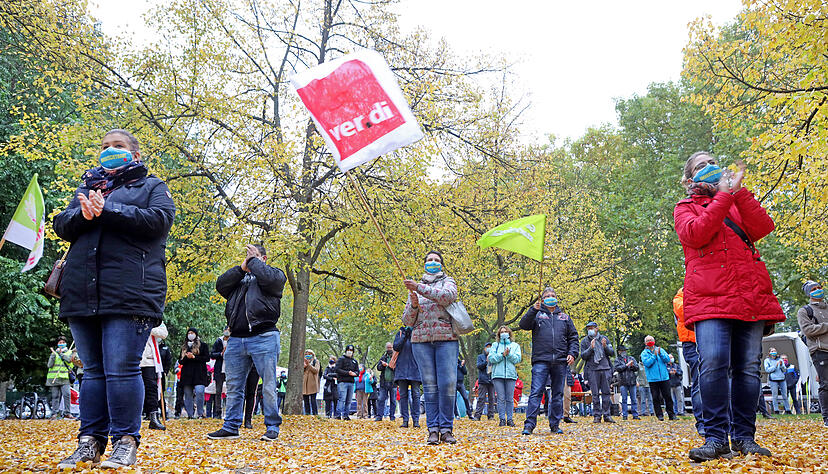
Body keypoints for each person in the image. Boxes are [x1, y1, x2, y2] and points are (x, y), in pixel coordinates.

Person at [54, 129, 176, 469]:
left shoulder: (152, 186)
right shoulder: (86, 189)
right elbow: (62, 224)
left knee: (122, 369)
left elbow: (159, 220)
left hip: (130, 293)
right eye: (105, 146)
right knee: (92, 372)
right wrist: (83, 214)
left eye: (118, 146)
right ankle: (89, 443)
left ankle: (126, 442)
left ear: (135, 154)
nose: (110, 150)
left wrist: (108, 210)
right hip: (82, 292)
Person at [676, 153, 786, 461]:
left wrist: (738, 192)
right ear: (689, 179)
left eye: (712, 161)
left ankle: (744, 437)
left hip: (748, 295)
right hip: (709, 298)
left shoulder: (735, 202)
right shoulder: (685, 207)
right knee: (712, 363)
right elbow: (696, 234)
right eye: (701, 165)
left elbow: (763, 226)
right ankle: (715, 438)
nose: (710, 166)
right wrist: (724, 196)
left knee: (748, 368)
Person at [207, 243, 287, 442]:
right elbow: (221, 285)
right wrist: (241, 268)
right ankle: (231, 426)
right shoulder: (239, 280)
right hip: (236, 339)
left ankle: (272, 427)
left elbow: (269, 278)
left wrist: (253, 262)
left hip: (265, 336)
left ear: (263, 259)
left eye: (253, 256)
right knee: (234, 386)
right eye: (247, 256)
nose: (249, 259)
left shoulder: (275, 276)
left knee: (268, 385)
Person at [402, 250, 459, 444]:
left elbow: (447, 297)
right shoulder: (414, 288)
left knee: (448, 384)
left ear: (441, 264)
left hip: (447, 339)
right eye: (429, 260)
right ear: (424, 264)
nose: (433, 262)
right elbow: (407, 320)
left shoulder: (447, 281)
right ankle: (433, 429)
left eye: (436, 260)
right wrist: (414, 305)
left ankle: (447, 429)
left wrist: (419, 288)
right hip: (421, 341)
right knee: (429, 387)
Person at [519, 288, 579, 435]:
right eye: (547, 296)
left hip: (560, 361)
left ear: (556, 298)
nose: (550, 297)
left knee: (557, 394)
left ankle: (555, 425)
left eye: (552, 295)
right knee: (536, 392)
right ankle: (529, 425)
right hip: (541, 360)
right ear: (542, 299)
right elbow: (523, 325)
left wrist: (572, 353)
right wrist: (533, 310)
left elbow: (573, 337)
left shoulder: (565, 317)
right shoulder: (537, 315)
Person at [796, 281, 828, 427]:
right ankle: (826, 417)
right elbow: (807, 330)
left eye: (819, 287)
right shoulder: (804, 311)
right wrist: (826, 326)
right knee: (825, 384)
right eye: (814, 289)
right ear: (809, 293)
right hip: (820, 350)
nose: (818, 290)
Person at [674, 287, 705, 435]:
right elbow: (683, 311)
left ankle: (724, 421)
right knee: (698, 382)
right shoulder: (680, 296)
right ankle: (702, 422)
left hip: (708, 340)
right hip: (691, 343)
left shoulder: (705, 290)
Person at [579, 321, 615, 423]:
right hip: (592, 370)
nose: (590, 330)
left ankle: (607, 415)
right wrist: (591, 348)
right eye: (588, 328)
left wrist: (605, 346)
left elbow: (612, 353)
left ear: (597, 328)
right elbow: (583, 356)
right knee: (595, 394)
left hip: (605, 368)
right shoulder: (584, 341)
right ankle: (597, 415)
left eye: (592, 328)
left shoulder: (604, 339)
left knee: (606, 393)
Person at [488, 326, 522, 427]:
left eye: (505, 331)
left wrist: (509, 354)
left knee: (510, 398)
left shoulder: (515, 345)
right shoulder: (495, 345)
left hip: (511, 375)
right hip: (498, 375)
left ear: (509, 333)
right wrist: (502, 355)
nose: (504, 333)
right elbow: (491, 358)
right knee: (501, 398)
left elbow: (517, 359)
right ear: (499, 334)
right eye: (501, 332)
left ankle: (510, 419)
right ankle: (502, 419)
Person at [139, 322, 168, 430]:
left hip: (150, 361)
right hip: (132, 359)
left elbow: (164, 334)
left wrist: (148, 327)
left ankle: (154, 418)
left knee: (152, 389)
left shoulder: (154, 318)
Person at [640, 335, 675, 422]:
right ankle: (659, 415)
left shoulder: (660, 349)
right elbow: (647, 363)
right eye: (648, 340)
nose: (650, 341)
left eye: (651, 340)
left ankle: (671, 415)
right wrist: (654, 356)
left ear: (654, 341)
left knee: (668, 396)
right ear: (645, 343)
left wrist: (660, 354)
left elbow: (667, 360)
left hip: (664, 378)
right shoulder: (644, 353)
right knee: (655, 397)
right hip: (653, 379)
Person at [178, 328, 210, 419]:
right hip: (187, 375)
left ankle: (200, 413)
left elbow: (207, 358)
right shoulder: (184, 347)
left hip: (199, 374)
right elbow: (180, 361)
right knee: (188, 394)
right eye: (189, 333)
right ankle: (190, 414)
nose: (190, 334)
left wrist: (194, 357)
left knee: (200, 392)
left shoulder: (203, 345)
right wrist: (187, 357)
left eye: (192, 333)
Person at [393, 326, 421, 428]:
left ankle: (416, 420)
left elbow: (421, 349)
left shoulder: (418, 332)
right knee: (403, 395)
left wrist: (412, 334)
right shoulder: (400, 333)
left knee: (416, 395)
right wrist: (404, 336)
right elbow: (396, 347)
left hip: (415, 369)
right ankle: (405, 420)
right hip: (401, 369)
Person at [47, 336, 74, 420]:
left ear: (66, 343)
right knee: (55, 396)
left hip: (65, 378)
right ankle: (54, 413)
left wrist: (61, 354)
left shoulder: (69, 352)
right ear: (57, 344)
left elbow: (69, 360)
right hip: (54, 378)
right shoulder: (54, 353)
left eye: (63, 342)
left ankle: (67, 413)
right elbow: (49, 365)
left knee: (67, 395)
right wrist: (53, 355)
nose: (61, 344)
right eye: (60, 343)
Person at [613, 345, 640, 420]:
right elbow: (617, 368)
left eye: (625, 350)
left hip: (632, 381)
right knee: (624, 399)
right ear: (619, 352)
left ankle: (635, 415)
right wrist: (626, 365)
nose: (624, 352)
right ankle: (625, 415)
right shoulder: (617, 360)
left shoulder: (631, 358)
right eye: (622, 351)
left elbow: (637, 368)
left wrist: (632, 366)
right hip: (623, 381)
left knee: (633, 399)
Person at [210, 326, 231, 419]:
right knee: (218, 391)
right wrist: (221, 354)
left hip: (230, 369)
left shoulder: (233, 341)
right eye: (226, 330)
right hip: (219, 369)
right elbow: (212, 354)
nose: (227, 332)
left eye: (229, 330)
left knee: (230, 391)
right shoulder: (218, 341)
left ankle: (229, 412)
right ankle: (217, 412)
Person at [334, 345, 359, 420]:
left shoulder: (354, 361)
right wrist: (347, 373)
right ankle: (338, 415)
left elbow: (357, 371)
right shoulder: (341, 359)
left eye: (351, 350)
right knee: (342, 399)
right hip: (342, 382)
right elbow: (337, 369)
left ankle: (346, 415)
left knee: (349, 400)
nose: (350, 352)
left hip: (351, 383)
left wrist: (355, 374)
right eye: (348, 350)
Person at [763, 348, 790, 414]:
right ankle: (776, 410)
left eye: (775, 351)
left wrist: (781, 365)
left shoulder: (780, 359)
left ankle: (788, 410)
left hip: (782, 379)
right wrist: (775, 365)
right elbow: (767, 370)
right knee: (775, 395)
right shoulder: (767, 360)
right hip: (773, 379)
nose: (774, 352)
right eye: (772, 351)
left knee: (785, 395)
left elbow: (784, 370)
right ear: (769, 352)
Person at [374, 342, 397, 421]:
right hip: (384, 382)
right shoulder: (383, 357)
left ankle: (392, 416)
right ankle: (379, 416)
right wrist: (382, 365)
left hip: (393, 382)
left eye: (390, 347)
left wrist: (388, 365)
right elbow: (378, 368)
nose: (389, 349)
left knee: (393, 400)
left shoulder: (395, 357)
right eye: (388, 348)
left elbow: (397, 368)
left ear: (393, 348)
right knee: (381, 399)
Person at [473, 343, 495, 421]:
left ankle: (491, 415)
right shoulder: (480, 357)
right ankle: (477, 415)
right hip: (483, 380)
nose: (489, 349)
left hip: (492, 380)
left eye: (490, 347)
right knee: (481, 398)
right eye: (487, 347)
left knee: (492, 398)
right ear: (484, 348)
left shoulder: (494, 357)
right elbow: (479, 366)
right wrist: (486, 361)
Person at [302, 349, 320, 415]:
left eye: (309, 354)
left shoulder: (316, 361)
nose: (307, 355)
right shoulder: (303, 361)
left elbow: (316, 370)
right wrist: (304, 366)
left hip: (312, 384)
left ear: (312, 355)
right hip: (304, 384)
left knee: (313, 400)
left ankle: (315, 414)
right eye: (306, 354)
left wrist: (308, 365)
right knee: (306, 400)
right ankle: (307, 414)